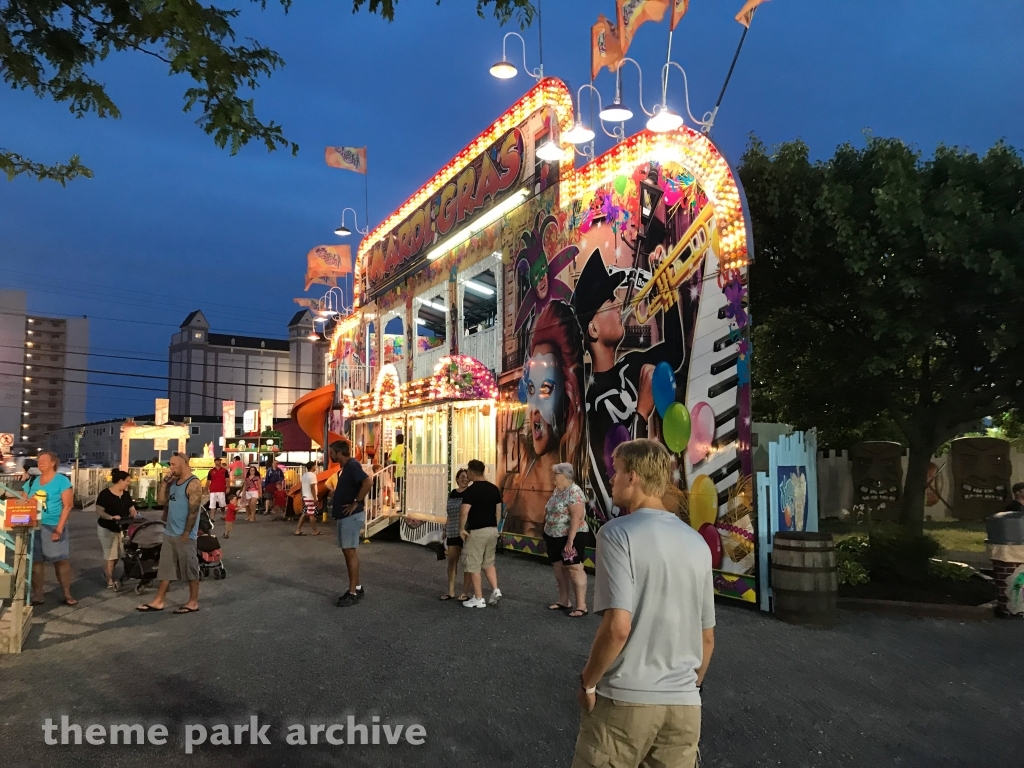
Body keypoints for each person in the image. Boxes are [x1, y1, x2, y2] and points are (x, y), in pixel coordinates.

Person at [573, 439, 715, 768]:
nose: (611, 479)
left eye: (616, 471)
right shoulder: (696, 542)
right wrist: (689, 687)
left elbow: (619, 627)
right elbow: (707, 637)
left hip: (626, 700)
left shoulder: (616, 534)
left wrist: (588, 682)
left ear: (632, 477)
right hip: (684, 708)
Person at [571, 250, 687, 524]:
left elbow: (675, 353)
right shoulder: (593, 400)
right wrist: (642, 412)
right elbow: (617, 466)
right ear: (593, 330)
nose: (619, 305)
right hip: (631, 510)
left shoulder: (631, 363)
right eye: (610, 302)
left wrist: (665, 288)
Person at [504, 300, 586, 536]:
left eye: (546, 390)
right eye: (531, 391)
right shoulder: (516, 483)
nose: (534, 408)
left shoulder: (573, 485)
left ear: (567, 394)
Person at [137, 453, 203, 614]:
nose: (171, 468)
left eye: (174, 464)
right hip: (170, 532)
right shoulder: (173, 483)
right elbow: (161, 502)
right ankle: (159, 600)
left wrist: (187, 532)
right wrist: (163, 484)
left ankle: (193, 602)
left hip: (184, 534)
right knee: (166, 569)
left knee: (190, 568)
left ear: (184, 463)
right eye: (170, 465)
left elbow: (193, 512)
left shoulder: (193, 484)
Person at [24, 451, 76, 606]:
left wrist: (59, 529)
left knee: (60, 561)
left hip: (54, 525)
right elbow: (22, 501)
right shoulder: (32, 482)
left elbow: (68, 506)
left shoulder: (62, 481)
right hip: (34, 526)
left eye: (44, 460)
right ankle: (38, 595)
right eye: (38, 461)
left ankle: (67, 594)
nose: (40, 463)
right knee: (36, 562)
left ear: (53, 462)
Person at [544, 463, 591, 618]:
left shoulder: (574, 491)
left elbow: (576, 518)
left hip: (570, 536)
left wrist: (570, 541)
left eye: (555, 473)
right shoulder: (557, 491)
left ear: (564, 475)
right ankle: (564, 601)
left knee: (574, 568)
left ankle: (581, 606)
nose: (552, 476)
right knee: (559, 567)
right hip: (554, 536)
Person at [329, 440, 370, 607]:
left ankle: (353, 592)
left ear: (339, 453)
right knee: (347, 551)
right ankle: (357, 587)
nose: (330, 455)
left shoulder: (352, 465)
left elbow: (368, 482)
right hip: (345, 516)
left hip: (351, 516)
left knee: (350, 551)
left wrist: (356, 501)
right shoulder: (347, 467)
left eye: (332, 452)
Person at [459, 460, 503, 609]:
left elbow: (464, 511)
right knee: (488, 562)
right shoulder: (494, 489)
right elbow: (498, 511)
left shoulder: (471, 491)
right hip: (492, 530)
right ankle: (495, 589)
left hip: (477, 531)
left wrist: (461, 528)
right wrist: (495, 527)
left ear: (471, 472)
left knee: (473, 564)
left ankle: (478, 598)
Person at [95, 469, 138, 589]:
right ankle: (109, 579)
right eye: (127, 481)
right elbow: (99, 510)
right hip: (107, 527)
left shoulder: (125, 494)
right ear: (120, 481)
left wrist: (134, 513)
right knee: (110, 554)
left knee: (120, 553)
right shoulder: (105, 494)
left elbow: (131, 508)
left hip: (122, 528)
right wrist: (111, 517)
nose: (128, 483)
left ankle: (107, 572)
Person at [440, 468, 472, 601]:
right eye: (462, 477)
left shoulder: (470, 494)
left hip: (466, 530)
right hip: (452, 530)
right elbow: (449, 514)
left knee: (467, 563)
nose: (465, 479)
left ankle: (465, 592)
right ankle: (451, 590)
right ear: (457, 479)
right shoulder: (452, 493)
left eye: (467, 477)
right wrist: (445, 529)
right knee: (452, 561)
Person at [295, 461, 322, 536]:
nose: (315, 467)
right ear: (312, 466)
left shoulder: (304, 475)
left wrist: (302, 495)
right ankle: (314, 531)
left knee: (304, 513)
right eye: (315, 466)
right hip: (310, 497)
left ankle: (298, 530)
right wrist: (315, 498)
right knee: (311, 514)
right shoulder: (312, 476)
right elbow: (312, 487)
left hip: (305, 496)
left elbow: (301, 487)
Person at [390, 434, 405, 507]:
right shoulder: (407, 449)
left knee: (399, 490)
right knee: (404, 489)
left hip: (398, 473)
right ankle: (404, 505)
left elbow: (394, 463)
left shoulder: (395, 450)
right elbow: (410, 461)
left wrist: (392, 474)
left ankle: (401, 506)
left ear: (396, 441)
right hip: (405, 473)